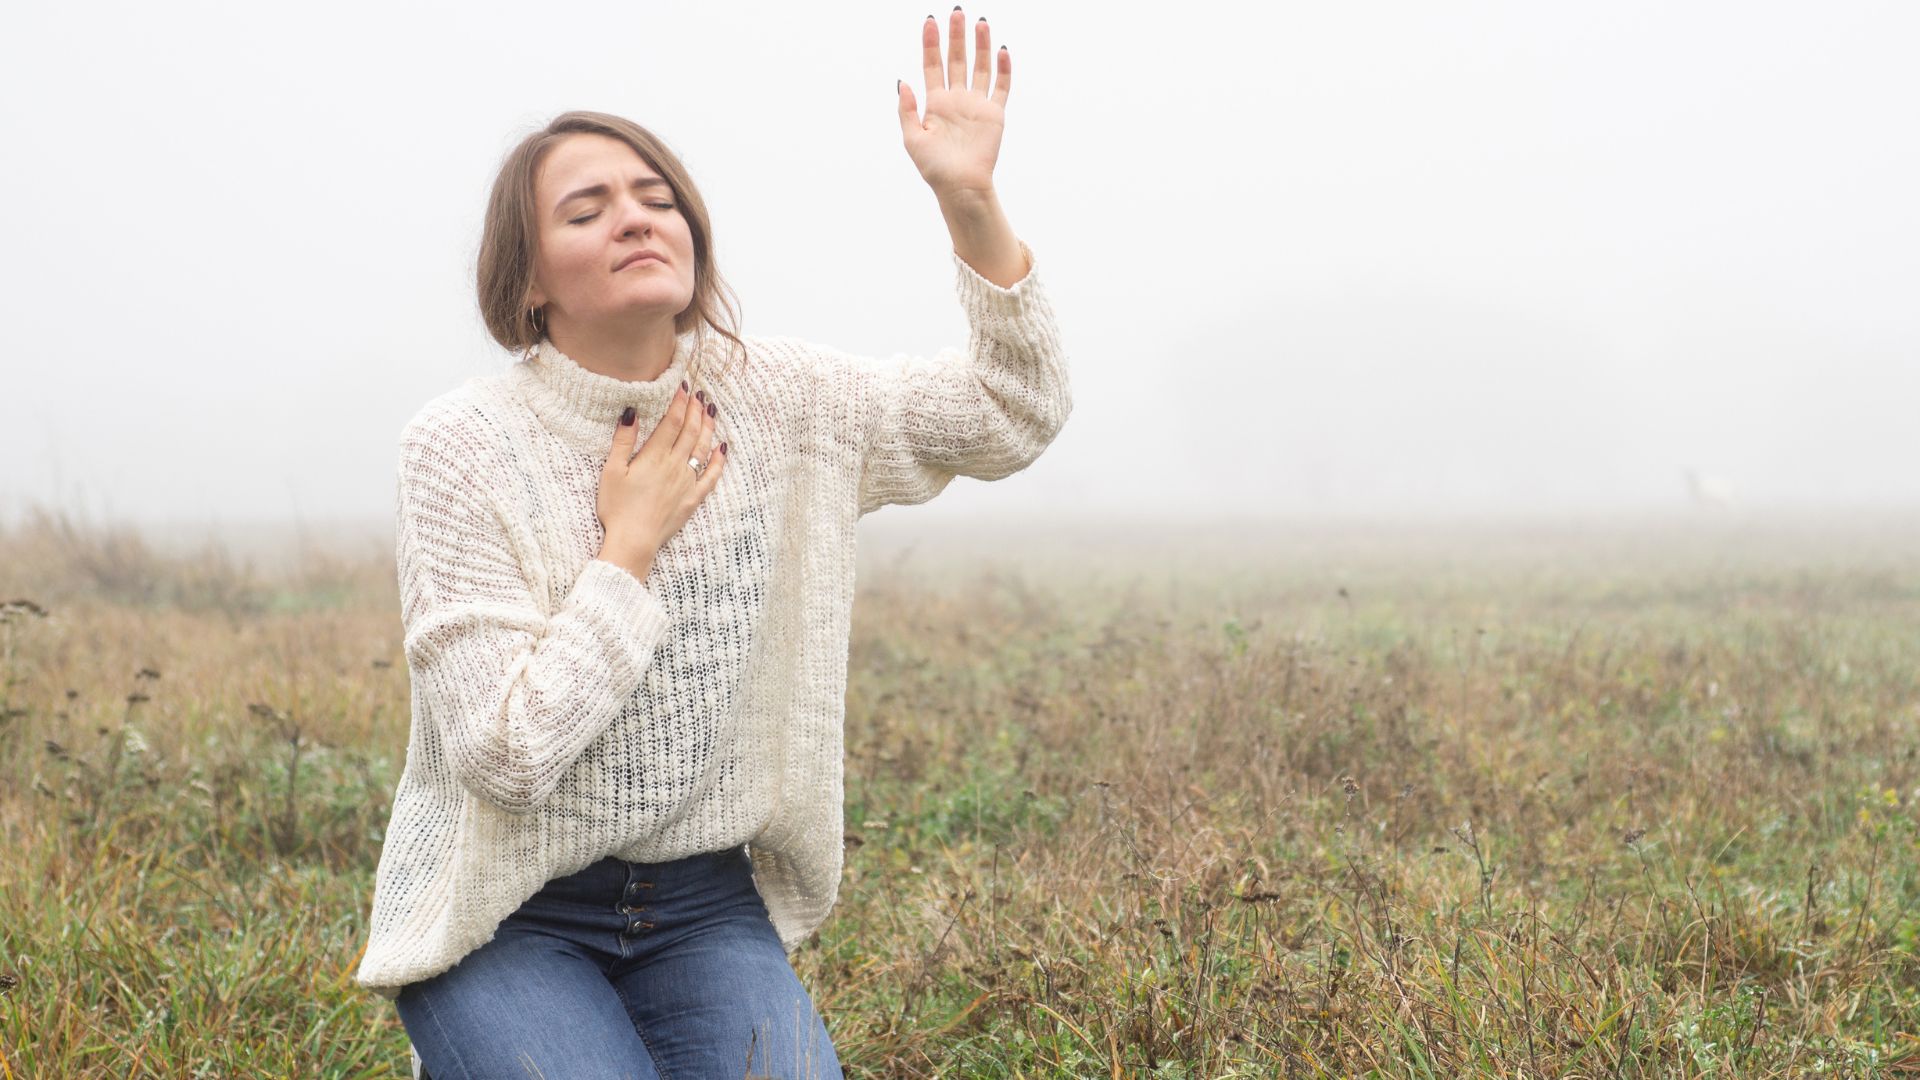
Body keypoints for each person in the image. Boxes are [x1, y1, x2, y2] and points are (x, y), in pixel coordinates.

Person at [354, 10, 1070, 1079]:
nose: (636, 219)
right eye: (587, 209)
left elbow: (1014, 409)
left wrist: (970, 204)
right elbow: (504, 759)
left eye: (657, 199)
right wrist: (626, 553)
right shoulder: (464, 447)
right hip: (507, 912)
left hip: (702, 905)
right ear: (530, 278)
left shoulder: (784, 401)